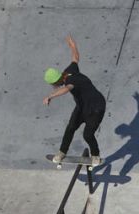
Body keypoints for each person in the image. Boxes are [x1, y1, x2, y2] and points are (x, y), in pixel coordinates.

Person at [43, 35, 106, 166]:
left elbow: (66, 89)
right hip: (82, 106)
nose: (53, 86)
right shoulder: (68, 71)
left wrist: (50, 96)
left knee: (88, 135)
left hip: (96, 107)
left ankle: (95, 156)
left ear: (56, 81)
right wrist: (73, 45)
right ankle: (61, 153)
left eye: (52, 84)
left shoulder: (70, 81)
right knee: (70, 128)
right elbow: (75, 57)